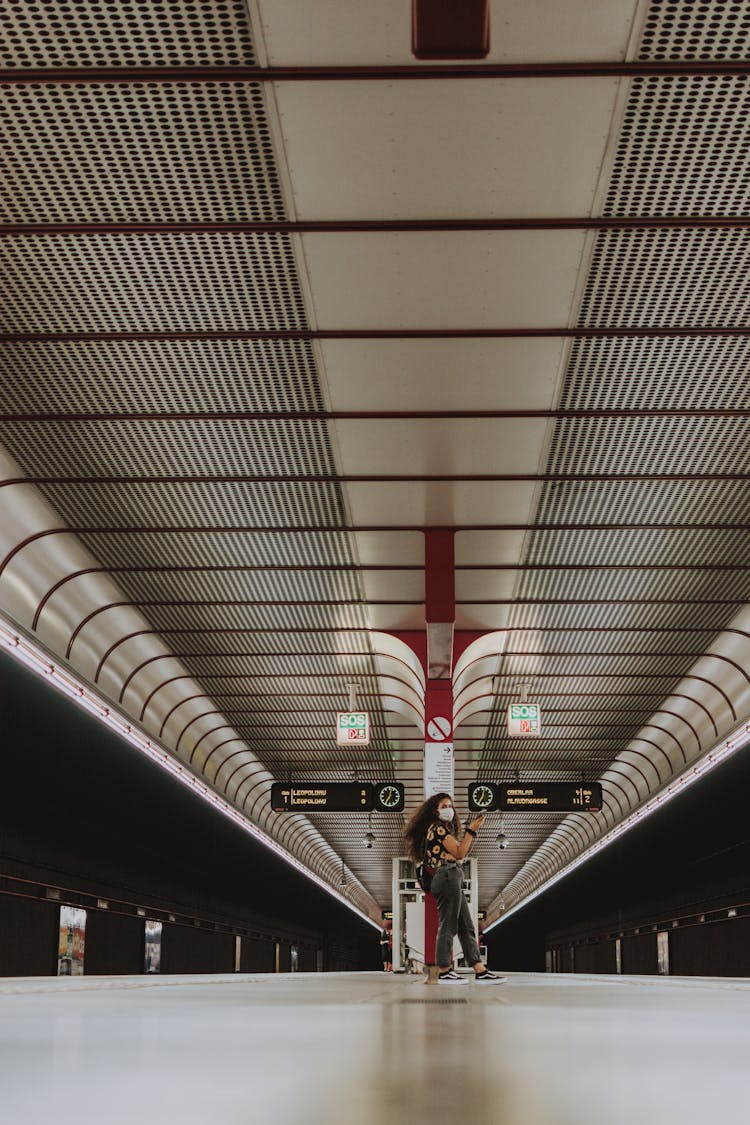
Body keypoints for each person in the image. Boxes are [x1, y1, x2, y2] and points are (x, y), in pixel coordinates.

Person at [404, 792, 505, 984]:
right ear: (435, 810)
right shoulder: (438, 829)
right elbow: (460, 851)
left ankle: (479, 968)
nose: (449, 809)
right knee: (448, 925)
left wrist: (457, 855)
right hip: (447, 876)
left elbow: (457, 855)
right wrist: (472, 831)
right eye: (444, 806)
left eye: (450, 805)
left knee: (466, 925)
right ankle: (444, 969)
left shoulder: (439, 831)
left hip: (450, 876)